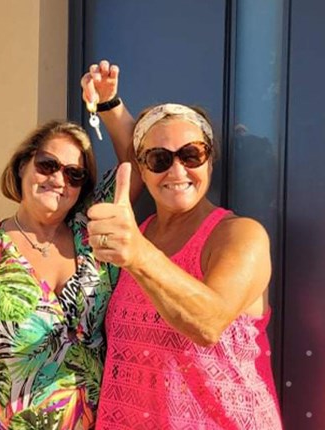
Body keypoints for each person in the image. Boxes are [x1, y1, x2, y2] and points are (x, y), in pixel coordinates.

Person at [81, 71, 283, 428]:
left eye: (192, 154)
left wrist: (139, 255)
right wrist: (110, 105)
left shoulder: (239, 235)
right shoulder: (134, 234)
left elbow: (209, 323)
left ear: (209, 159)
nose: (177, 170)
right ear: (142, 168)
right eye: (159, 159)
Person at [0, 116, 130, 429]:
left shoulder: (91, 236)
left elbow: (136, 163)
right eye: (48, 165)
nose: (58, 179)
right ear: (22, 166)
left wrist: (109, 104)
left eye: (74, 174)